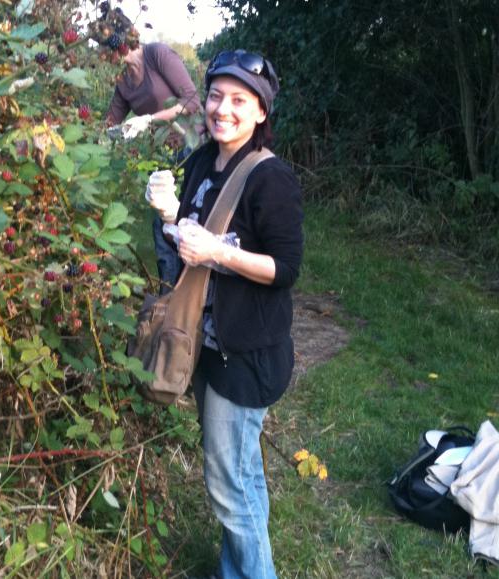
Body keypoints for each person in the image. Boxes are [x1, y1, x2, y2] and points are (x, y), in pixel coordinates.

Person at [145, 49, 303, 578]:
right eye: (215, 95)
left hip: (247, 354)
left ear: (261, 112)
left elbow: (285, 267)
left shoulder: (270, 178)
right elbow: (186, 242)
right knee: (241, 474)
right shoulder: (201, 161)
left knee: (228, 487)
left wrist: (220, 253)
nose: (222, 109)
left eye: (240, 100)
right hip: (207, 344)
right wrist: (169, 215)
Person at [104, 30, 202, 293]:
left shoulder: (156, 54)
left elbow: (191, 100)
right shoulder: (123, 82)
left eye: (107, 47)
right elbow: (110, 123)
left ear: (123, 42)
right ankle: (168, 297)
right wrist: (104, 135)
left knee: (193, 218)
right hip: (162, 156)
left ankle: (199, 292)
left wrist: (149, 119)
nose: (105, 54)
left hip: (193, 146)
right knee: (162, 224)